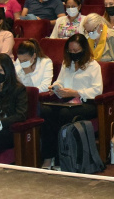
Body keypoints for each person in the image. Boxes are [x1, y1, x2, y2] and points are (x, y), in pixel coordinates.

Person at [40, 34, 103, 168]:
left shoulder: (93, 66)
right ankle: (48, 156)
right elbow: (60, 80)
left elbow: (97, 90)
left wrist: (76, 92)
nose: (73, 54)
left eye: (76, 51)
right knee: (45, 111)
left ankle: (60, 158)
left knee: (64, 114)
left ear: (84, 50)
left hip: (86, 102)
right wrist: (56, 87)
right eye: (71, 51)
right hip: (66, 100)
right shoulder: (66, 64)